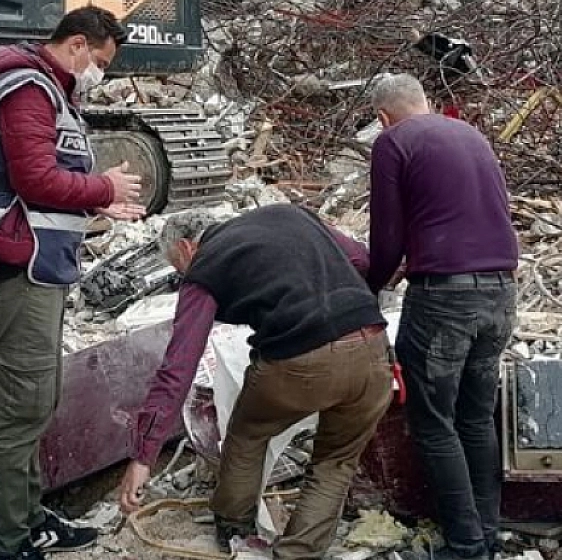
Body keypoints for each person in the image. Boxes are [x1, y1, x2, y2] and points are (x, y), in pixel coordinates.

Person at [0, 5, 147, 560]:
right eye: (102, 62)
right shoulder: (28, 89)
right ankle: (10, 542)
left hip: (36, 262)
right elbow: (35, 179)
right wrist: (101, 189)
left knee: (37, 401)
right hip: (18, 267)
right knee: (25, 407)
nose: (100, 74)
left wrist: (96, 209)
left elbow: (36, 188)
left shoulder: (47, 91)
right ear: (79, 45)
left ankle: (29, 517)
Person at [116, 205, 395, 560]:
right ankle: (298, 553)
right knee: (335, 462)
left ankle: (234, 527)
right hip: (372, 347)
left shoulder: (205, 267)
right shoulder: (290, 213)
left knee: (249, 433)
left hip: (297, 358)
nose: (183, 277)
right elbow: (362, 259)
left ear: (187, 248)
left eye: (178, 269)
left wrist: (144, 456)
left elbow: (179, 365)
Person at [366, 74, 519, 560]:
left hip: (444, 300)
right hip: (502, 292)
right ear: (425, 102)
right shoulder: (470, 133)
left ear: (383, 117)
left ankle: (465, 545)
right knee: (475, 417)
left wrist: (369, 286)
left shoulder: (393, 142)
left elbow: (387, 236)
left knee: (433, 422)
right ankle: (488, 532)